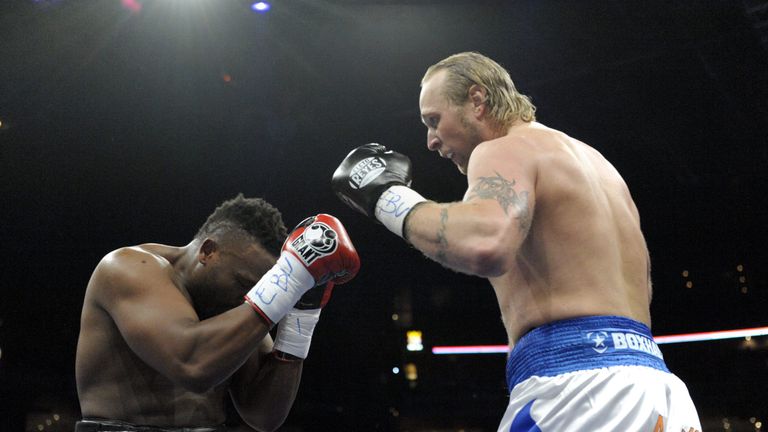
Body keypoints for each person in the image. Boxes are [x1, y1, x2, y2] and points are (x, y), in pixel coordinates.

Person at [332, 52, 701, 431]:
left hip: (578, 392)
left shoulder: (504, 148)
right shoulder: (599, 166)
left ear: (477, 101)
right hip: (660, 391)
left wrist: (386, 197)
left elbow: (485, 242)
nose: (430, 140)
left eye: (434, 120)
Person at [75, 194, 360, 432]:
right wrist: (290, 279)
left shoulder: (234, 308)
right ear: (208, 251)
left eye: (264, 289)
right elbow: (193, 365)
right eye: (244, 284)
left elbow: (264, 416)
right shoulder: (127, 267)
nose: (248, 299)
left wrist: (301, 317)